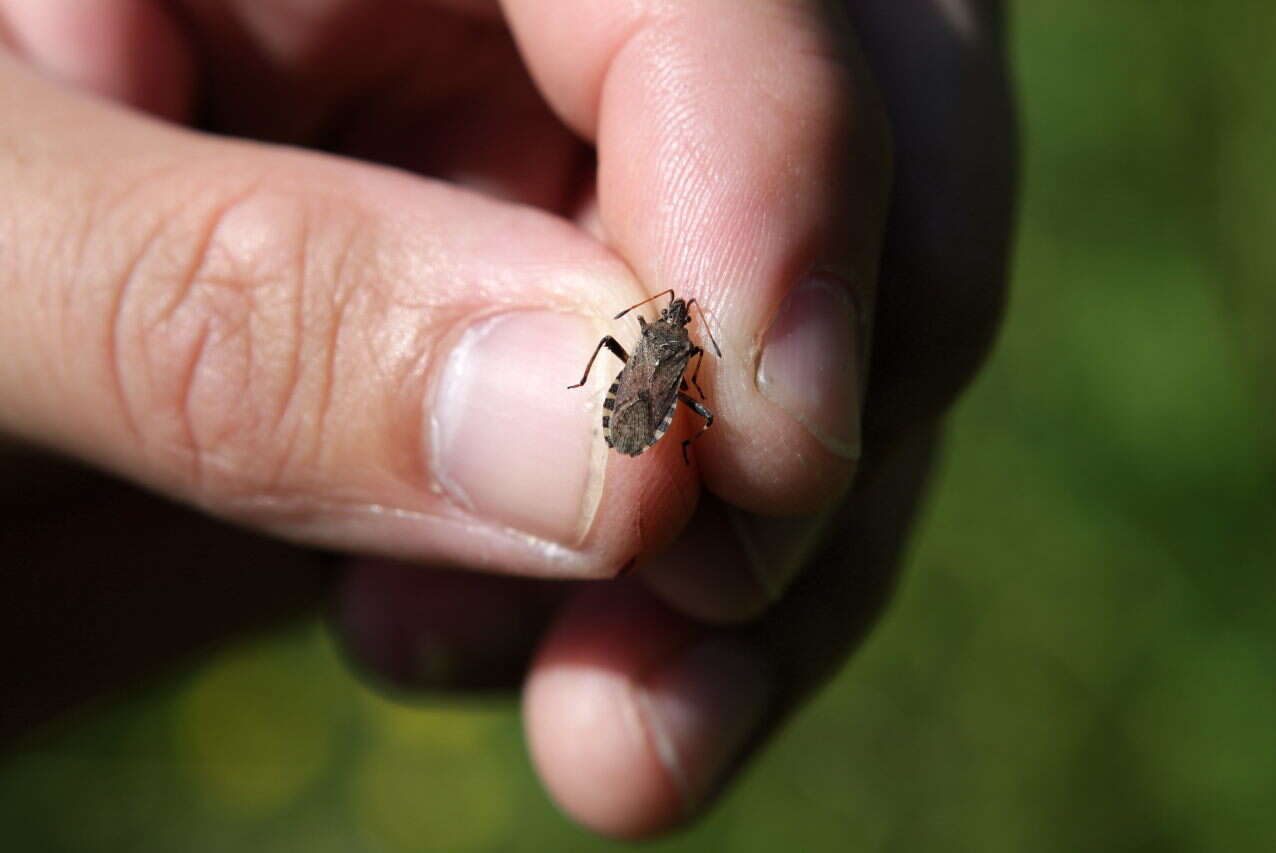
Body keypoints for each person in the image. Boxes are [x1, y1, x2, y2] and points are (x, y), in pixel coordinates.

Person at [0, 0, 1014, 839]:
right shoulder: (656, 355)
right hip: (621, 425)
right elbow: (651, 383)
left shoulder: (664, 358)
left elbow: (664, 385)